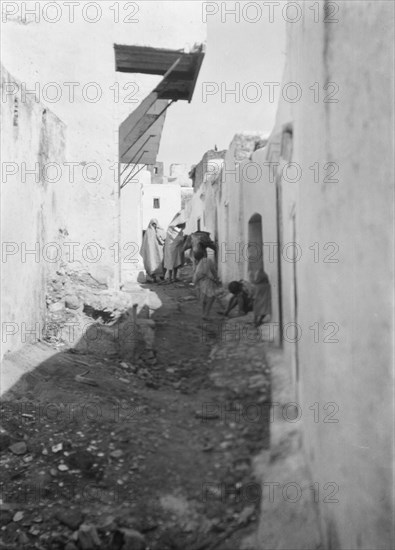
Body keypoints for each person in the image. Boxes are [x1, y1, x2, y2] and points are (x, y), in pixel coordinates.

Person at [140, 218, 165, 283]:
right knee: (151, 263)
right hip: (150, 252)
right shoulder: (148, 232)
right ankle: (153, 277)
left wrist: (158, 231)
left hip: (158, 252)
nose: (154, 225)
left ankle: (159, 277)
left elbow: (163, 238)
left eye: (155, 224)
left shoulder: (158, 230)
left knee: (159, 263)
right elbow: (146, 243)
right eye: (153, 224)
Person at [163, 214, 186, 282]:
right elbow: (176, 239)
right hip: (171, 249)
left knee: (175, 264)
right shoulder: (171, 229)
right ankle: (170, 278)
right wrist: (183, 238)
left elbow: (179, 238)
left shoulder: (178, 230)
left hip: (176, 249)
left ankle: (174, 278)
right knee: (171, 264)